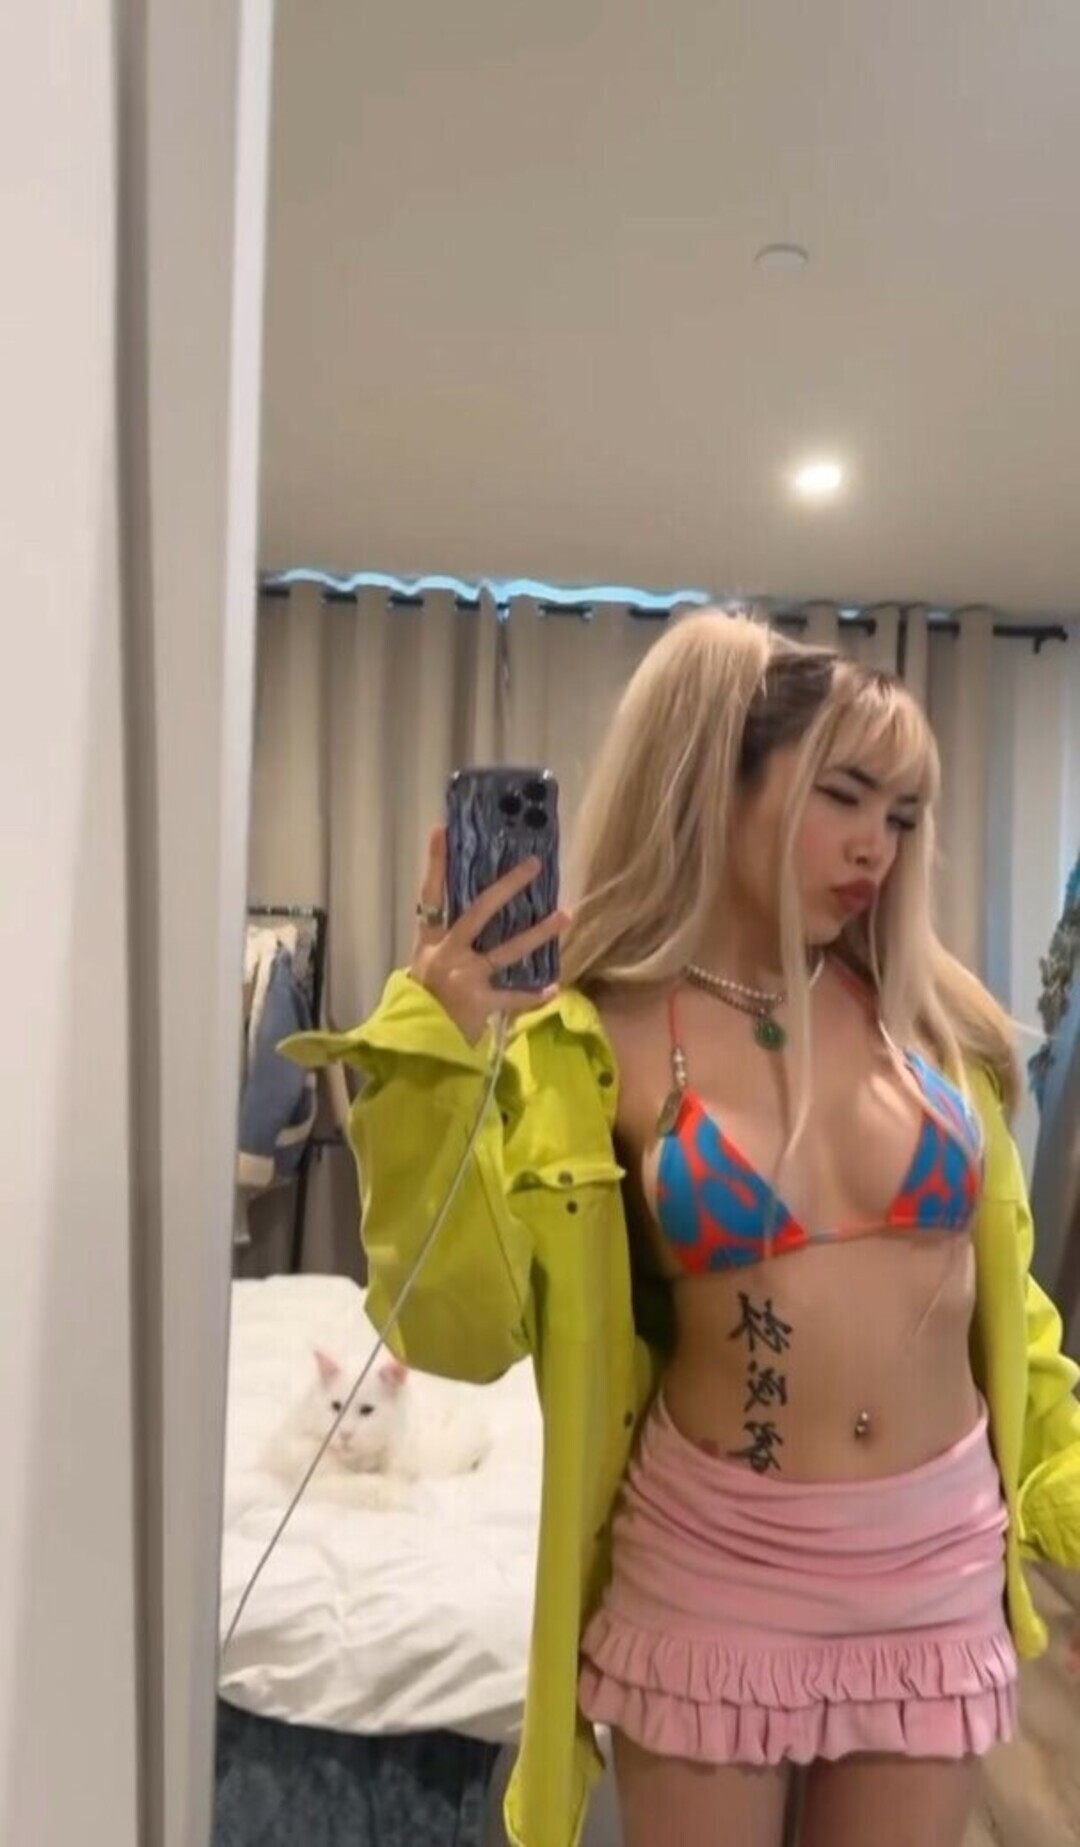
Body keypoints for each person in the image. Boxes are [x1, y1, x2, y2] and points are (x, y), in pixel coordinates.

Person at [285, 612, 1080, 1847]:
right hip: (721, 1558)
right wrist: (438, 1052)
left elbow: (1007, 1304)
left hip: (935, 1560)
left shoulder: (928, 1026)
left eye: (903, 813)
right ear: (726, 785)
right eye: (842, 795)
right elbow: (457, 1326)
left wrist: (1062, 1477)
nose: (874, 844)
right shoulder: (587, 1036)